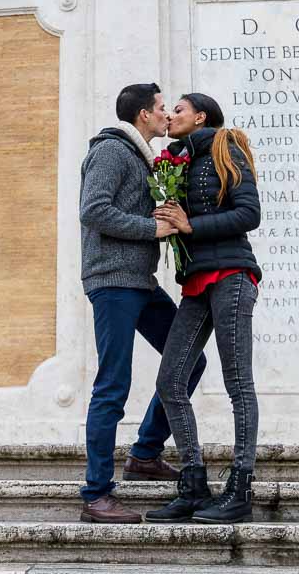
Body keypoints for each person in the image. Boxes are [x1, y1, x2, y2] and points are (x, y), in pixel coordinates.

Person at [79, 83, 208, 524]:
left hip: (140, 282)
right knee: (113, 384)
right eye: (159, 108)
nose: (165, 114)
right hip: (113, 282)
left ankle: (145, 454)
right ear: (141, 116)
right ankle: (96, 494)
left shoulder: (142, 158)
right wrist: (150, 229)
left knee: (189, 362)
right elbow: (93, 210)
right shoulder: (112, 151)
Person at [147, 93, 261, 525]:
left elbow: (250, 213)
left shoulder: (225, 149)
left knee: (237, 383)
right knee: (171, 379)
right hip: (195, 281)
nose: (170, 115)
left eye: (178, 109)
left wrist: (191, 225)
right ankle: (193, 484)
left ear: (201, 116)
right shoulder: (173, 161)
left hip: (232, 275)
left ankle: (240, 487)